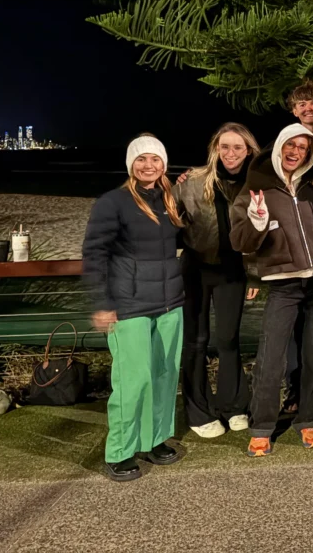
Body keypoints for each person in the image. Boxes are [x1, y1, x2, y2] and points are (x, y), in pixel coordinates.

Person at [83, 135, 186, 482]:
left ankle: (154, 439)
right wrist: (102, 303)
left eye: (155, 159)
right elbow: (94, 253)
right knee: (133, 380)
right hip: (129, 305)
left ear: (164, 164)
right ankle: (119, 451)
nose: (148, 166)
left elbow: (188, 239)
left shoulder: (169, 200)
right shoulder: (113, 202)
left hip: (170, 302)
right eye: (141, 160)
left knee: (164, 375)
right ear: (131, 165)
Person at [230, 124, 313, 458]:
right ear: (278, 147)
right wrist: (257, 223)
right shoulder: (256, 187)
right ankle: (262, 427)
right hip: (283, 285)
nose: (295, 152)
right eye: (291, 145)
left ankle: (308, 419)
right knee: (271, 357)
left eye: (303, 147)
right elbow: (239, 241)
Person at [173, 123, 261, 439]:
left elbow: (260, 233)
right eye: (224, 147)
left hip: (232, 272)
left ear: (248, 150)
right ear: (215, 149)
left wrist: (253, 274)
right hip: (195, 269)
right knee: (195, 341)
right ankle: (198, 412)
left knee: (228, 340)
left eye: (238, 147)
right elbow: (170, 220)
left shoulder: (256, 183)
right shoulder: (192, 181)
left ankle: (234, 406)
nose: (231, 153)